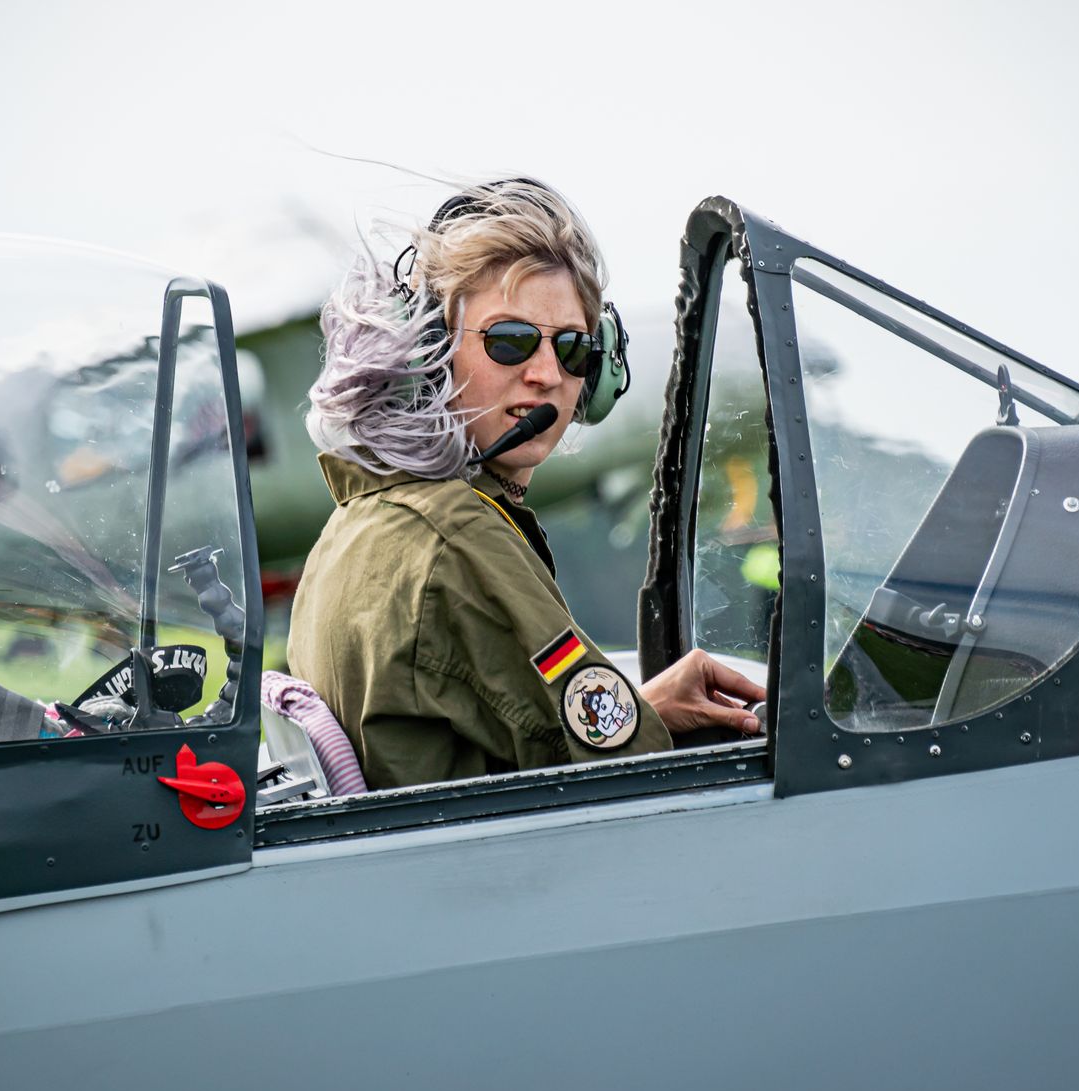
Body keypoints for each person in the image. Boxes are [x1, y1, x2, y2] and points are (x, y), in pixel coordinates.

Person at [287, 177, 765, 790]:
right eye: (509, 341)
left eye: (572, 348)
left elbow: (542, 736)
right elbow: (623, 771)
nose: (546, 375)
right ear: (427, 353)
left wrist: (645, 710)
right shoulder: (456, 539)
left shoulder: (354, 526)